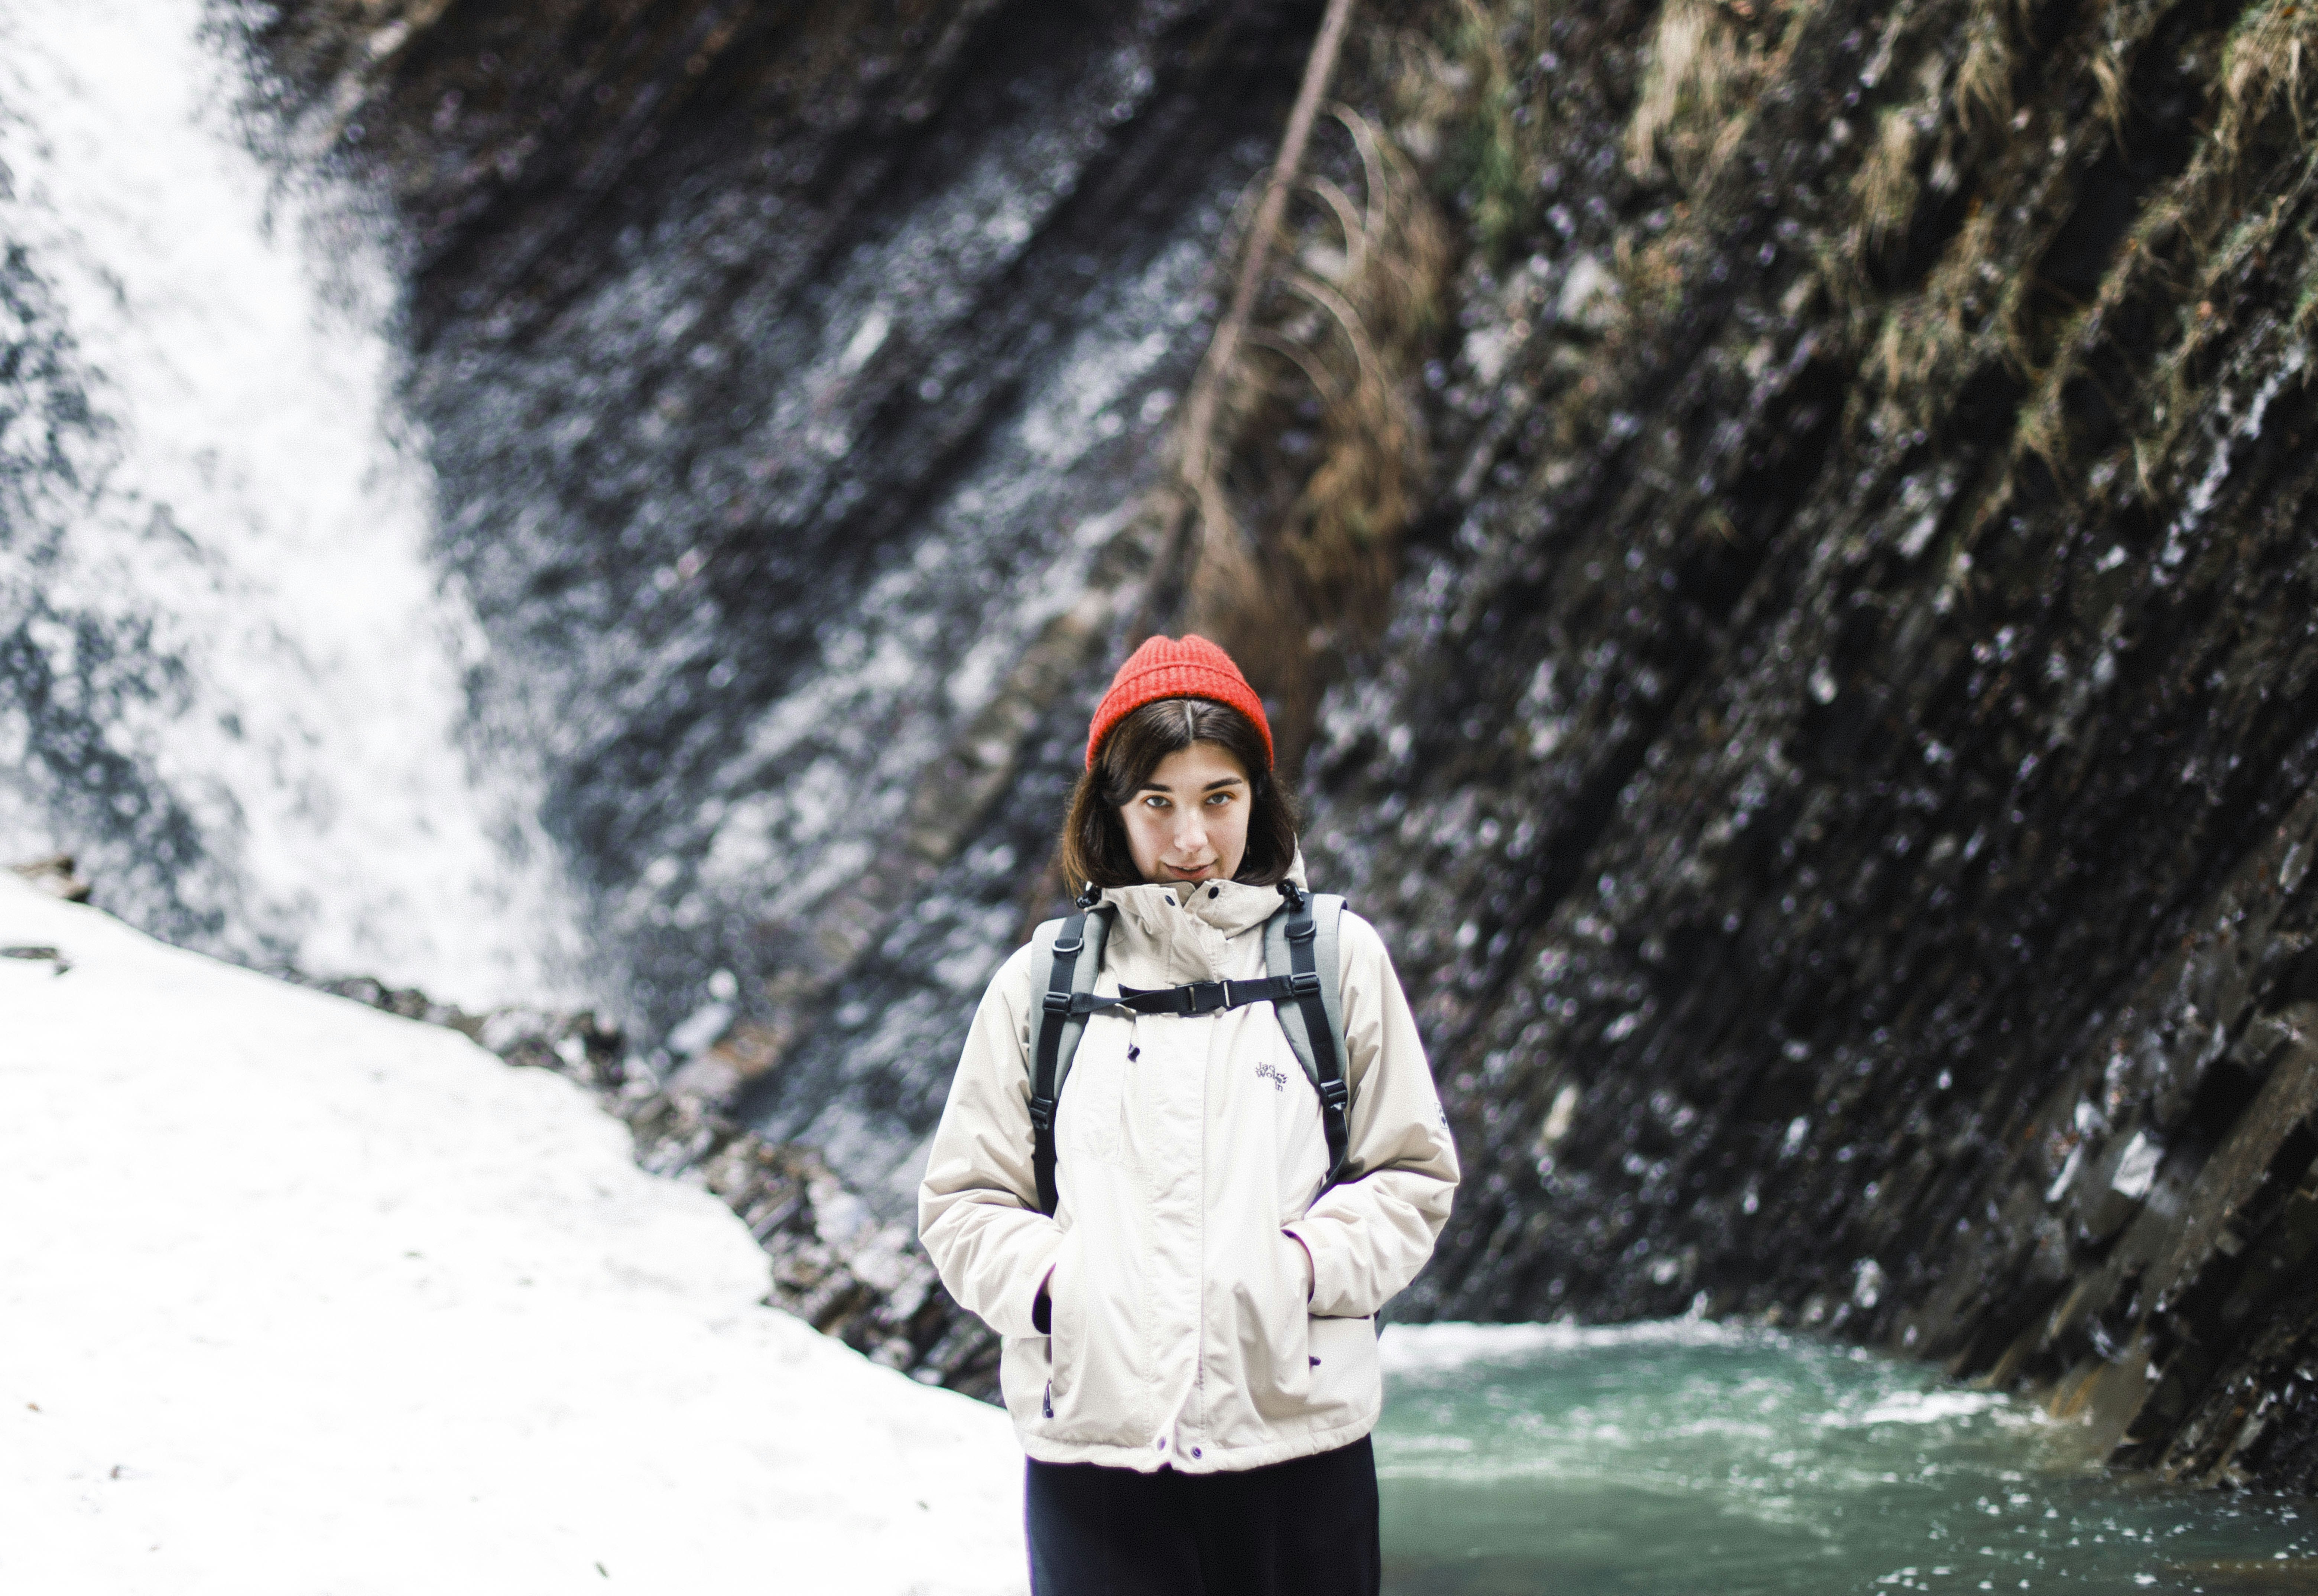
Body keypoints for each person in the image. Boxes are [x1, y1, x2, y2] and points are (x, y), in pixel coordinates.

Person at [918, 633, 1461, 1596]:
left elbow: (1410, 1174)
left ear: (1259, 799)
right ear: (1111, 809)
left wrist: (1300, 1271)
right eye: (1157, 803)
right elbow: (963, 1202)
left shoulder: (1337, 962)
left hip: (1297, 1441)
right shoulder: (1040, 986)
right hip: (1098, 1460)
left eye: (1219, 798)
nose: (1191, 840)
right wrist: (1062, 1290)